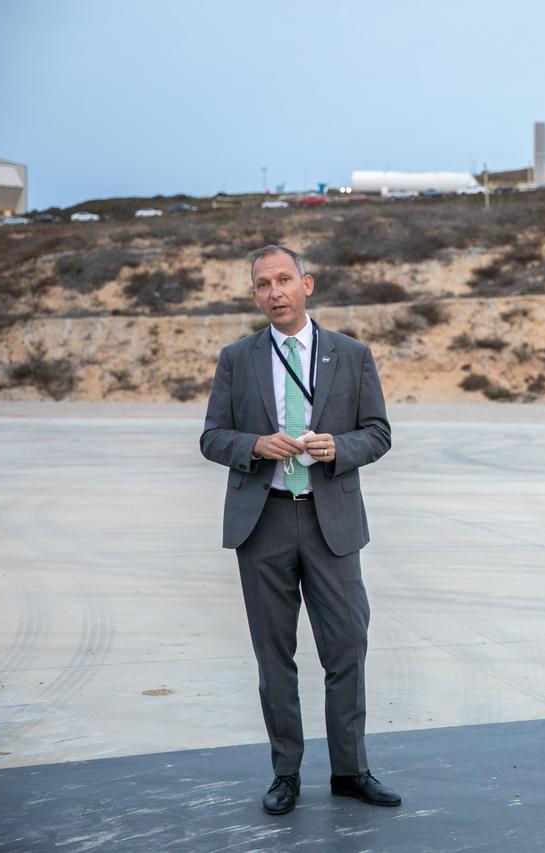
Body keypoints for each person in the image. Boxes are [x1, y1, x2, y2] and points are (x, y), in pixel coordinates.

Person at [199, 244, 399, 816]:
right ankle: (285, 774)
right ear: (255, 293)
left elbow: (379, 432)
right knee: (274, 657)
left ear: (307, 285)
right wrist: (255, 445)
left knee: (346, 650)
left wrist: (340, 446)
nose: (274, 292)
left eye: (284, 280)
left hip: (329, 522)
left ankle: (350, 770)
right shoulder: (236, 358)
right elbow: (212, 436)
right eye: (263, 284)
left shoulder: (351, 354)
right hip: (262, 525)